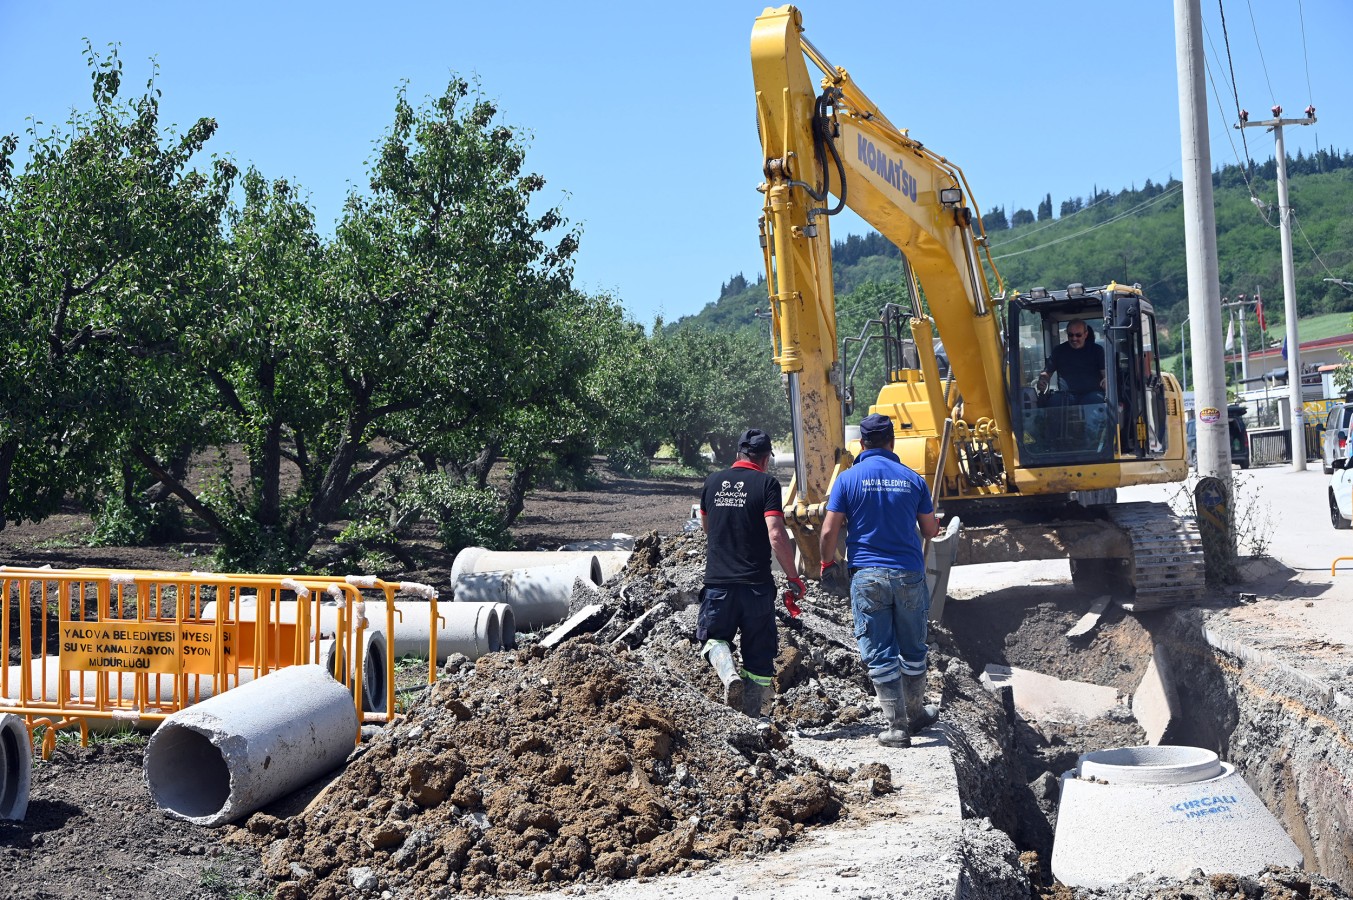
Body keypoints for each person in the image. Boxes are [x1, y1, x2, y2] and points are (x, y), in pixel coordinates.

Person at [818, 413, 940, 748]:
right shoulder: (913, 479)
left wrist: (828, 563)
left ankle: (897, 727)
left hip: (868, 576)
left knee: (880, 650)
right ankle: (915, 714)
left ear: (861, 443)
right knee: (913, 647)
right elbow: (930, 531)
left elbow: (829, 530)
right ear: (892, 442)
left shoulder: (847, 479)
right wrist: (933, 525)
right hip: (908, 574)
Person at [698, 428, 804, 718]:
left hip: (719, 583)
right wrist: (793, 577)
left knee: (714, 638)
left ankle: (728, 672)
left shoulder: (712, 482)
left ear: (738, 453)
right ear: (766, 458)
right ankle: (753, 717)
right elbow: (776, 532)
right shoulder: (767, 484)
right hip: (756, 586)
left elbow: (707, 528)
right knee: (758, 656)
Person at [1037, 319, 1108, 443]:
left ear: (1086, 334)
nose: (1074, 338)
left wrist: (1106, 381)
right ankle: (1051, 444)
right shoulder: (1059, 351)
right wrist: (1042, 380)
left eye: (1078, 335)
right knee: (1052, 404)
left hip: (1092, 394)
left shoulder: (1097, 350)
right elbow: (1046, 372)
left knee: (1096, 404)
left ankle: (1091, 443)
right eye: (1071, 335)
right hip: (1066, 395)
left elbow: (1104, 374)